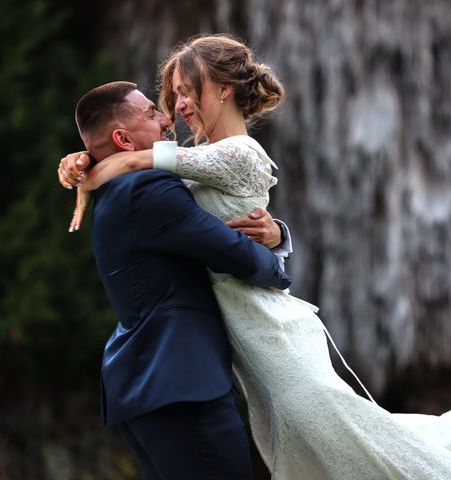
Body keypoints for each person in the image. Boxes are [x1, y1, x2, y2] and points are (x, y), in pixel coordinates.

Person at [59, 35, 451, 480]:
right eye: (168, 99)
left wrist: (103, 162)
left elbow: (157, 170)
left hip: (267, 330)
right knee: (328, 443)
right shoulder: (181, 165)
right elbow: (187, 207)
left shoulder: (230, 154)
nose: (173, 110)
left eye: (186, 91)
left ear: (224, 89)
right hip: (231, 343)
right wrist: (90, 160)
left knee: (345, 432)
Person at [71, 80, 291, 480]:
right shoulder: (145, 187)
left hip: (147, 385)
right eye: (150, 113)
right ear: (122, 138)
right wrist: (276, 262)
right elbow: (232, 252)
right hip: (179, 385)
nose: (166, 116)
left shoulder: (115, 188)